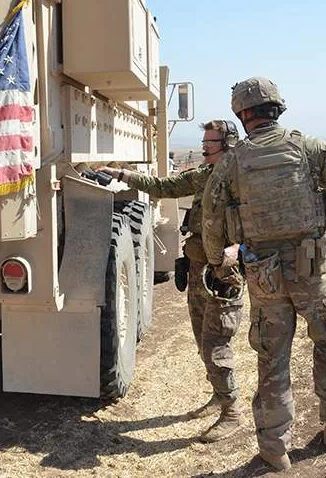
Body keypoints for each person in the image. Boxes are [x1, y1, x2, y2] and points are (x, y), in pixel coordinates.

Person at [203, 77, 326, 471]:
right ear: (278, 108)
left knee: (272, 358)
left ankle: (275, 449)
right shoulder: (311, 148)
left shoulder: (231, 162)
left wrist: (219, 264)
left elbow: (211, 220)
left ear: (242, 115)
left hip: (263, 276)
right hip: (313, 271)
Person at [98, 119, 245, 443]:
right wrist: (122, 175)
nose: (204, 146)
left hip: (222, 275)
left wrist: (241, 248)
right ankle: (219, 395)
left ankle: (232, 411)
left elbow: (264, 224)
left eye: (211, 142)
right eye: (204, 141)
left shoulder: (243, 181)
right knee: (201, 341)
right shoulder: (206, 175)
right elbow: (163, 187)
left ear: (228, 144)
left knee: (215, 344)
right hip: (197, 271)